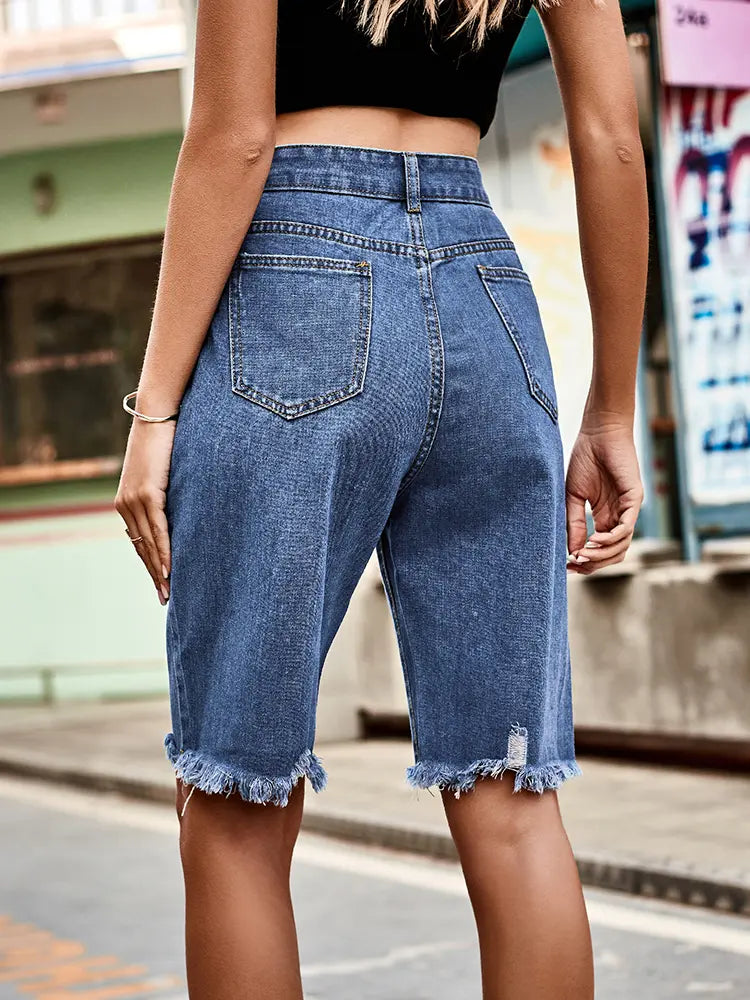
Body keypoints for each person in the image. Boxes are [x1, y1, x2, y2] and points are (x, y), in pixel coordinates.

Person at [115, 0, 648, 995]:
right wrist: (610, 409)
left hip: (294, 275)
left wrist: (153, 411)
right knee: (513, 799)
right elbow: (613, 138)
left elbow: (235, 140)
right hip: (483, 289)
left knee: (234, 806)